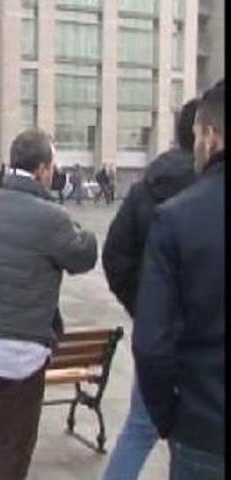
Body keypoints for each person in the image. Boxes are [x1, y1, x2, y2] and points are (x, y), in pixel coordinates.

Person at [0, 128, 97, 480]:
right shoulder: (52, 217)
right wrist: (83, 228)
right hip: (21, 355)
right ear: (43, 169)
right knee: (12, 451)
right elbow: (84, 256)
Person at [100, 98, 200, 480]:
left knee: (140, 428)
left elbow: (115, 257)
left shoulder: (146, 188)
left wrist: (145, 307)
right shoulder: (210, 189)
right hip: (206, 334)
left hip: (157, 330)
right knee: (199, 438)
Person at [133, 80, 225, 479]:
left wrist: (170, 418)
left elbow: (151, 344)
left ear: (210, 136)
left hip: (203, 426)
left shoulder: (176, 218)